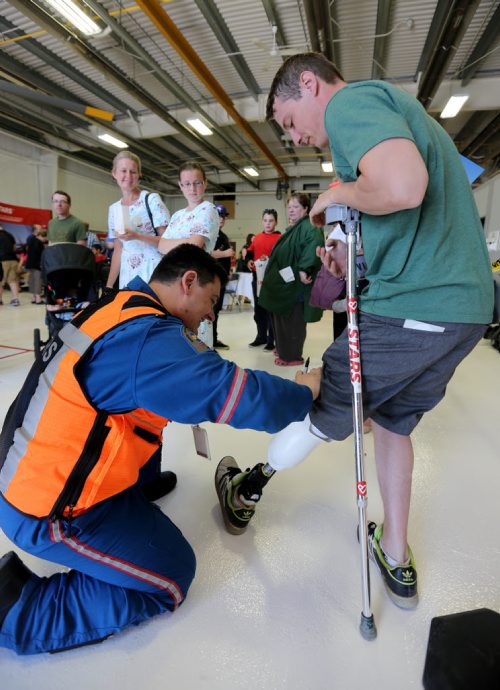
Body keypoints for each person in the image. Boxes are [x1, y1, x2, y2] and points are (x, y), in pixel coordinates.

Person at [215, 53, 494, 611]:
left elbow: (405, 185)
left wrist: (335, 194)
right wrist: (346, 261)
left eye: (289, 121)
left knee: (324, 397)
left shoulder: (351, 103)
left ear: (310, 84)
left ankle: (248, 487)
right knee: (392, 421)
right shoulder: (394, 116)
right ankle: (395, 553)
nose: (294, 137)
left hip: (413, 307)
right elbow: (406, 210)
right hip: (461, 310)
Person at [0, 244, 321, 656]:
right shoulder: (147, 340)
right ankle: (19, 614)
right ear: (188, 281)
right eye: (210, 302)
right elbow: (236, 394)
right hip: (46, 510)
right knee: (171, 574)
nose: (210, 316)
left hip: (24, 470)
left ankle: (134, 488)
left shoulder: (119, 307)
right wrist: (302, 391)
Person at [258, 193, 324, 366]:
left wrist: (304, 269)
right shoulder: (294, 228)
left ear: (305, 209)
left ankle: (292, 356)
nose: (291, 210)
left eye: (296, 207)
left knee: (292, 321)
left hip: (296, 286)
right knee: (280, 318)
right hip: (284, 283)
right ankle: (283, 348)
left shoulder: (310, 226)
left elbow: (314, 246)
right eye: (289, 207)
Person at [158, 161, 219, 347]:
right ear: (180, 185)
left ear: (205, 183)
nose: (192, 188)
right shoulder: (177, 215)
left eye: (197, 182)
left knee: (197, 338)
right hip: (172, 284)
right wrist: (185, 241)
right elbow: (160, 245)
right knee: (175, 338)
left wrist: (173, 244)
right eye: (187, 183)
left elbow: (195, 245)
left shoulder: (208, 209)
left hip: (195, 283)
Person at [105, 151, 170, 289]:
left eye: (133, 172)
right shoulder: (114, 209)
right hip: (127, 277)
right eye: (123, 171)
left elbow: (167, 242)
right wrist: (109, 286)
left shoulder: (151, 200)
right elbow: (118, 250)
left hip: (153, 272)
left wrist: (137, 236)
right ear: (114, 173)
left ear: (139, 175)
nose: (128, 176)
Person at [246, 209, 281, 349]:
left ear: (276, 222)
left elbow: (282, 258)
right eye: (265, 220)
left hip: (272, 279)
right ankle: (261, 337)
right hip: (257, 278)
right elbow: (249, 253)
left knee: (271, 310)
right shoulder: (257, 238)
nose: (268, 223)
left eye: (271, 220)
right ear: (262, 221)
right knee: (259, 310)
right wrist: (248, 261)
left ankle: (271, 340)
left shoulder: (280, 238)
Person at [211, 204, 235, 350]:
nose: (221, 220)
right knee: (209, 310)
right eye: (218, 216)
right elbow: (204, 252)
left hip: (221, 279)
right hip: (211, 279)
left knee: (216, 311)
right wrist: (224, 254)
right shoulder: (209, 234)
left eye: (223, 217)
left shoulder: (222, 235)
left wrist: (228, 270)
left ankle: (213, 339)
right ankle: (208, 341)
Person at [25, 224, 46, 304]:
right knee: (37, 280)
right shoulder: (36, 240)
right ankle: (38, 298)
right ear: (36, 230)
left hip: (30, 263)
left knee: (32, 280)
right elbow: (38, 252)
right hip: (36, 264)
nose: (41, 229)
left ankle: (33, 297)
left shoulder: (30, 238)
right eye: (40, 228)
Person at [0, 224, 21, 307]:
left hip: (2, 261)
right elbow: (14, 248)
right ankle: (15, 299)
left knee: (1, 281)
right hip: (13, 260)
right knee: (13, 280)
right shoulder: (10, 235)